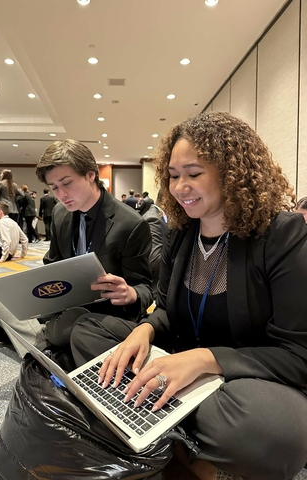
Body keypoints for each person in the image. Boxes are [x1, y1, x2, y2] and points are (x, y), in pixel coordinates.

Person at [69, 112, 307, 480]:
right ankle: (182, 439)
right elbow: (165, 309)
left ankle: (153, 422)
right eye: (174, 175)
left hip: (245, 380)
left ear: (233, 173)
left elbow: (297, 356)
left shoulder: (281, 236)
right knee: (87, 331)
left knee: (281, 435)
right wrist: (144, 331)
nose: (180, 187)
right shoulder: (181, 233)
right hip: (180, 365)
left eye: (194, 174)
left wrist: (206, 359)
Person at [0, 139, 153, 357]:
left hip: (97, 314)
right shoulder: (61, 214)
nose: (61, 195)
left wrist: (130, 293)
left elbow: (146, 287)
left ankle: (29, 338)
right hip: (60, 301)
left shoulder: (130, 224)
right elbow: (51, 264)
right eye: (54, 187)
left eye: (67, 183)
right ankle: (41, 342)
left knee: (76, 323)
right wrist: (31, 291)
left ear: (91, 175)